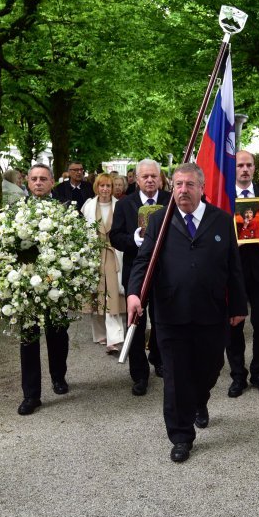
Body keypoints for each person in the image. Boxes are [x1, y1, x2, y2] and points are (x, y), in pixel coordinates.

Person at [127, 163, 248, 463]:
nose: (183, 190)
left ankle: (199, 401)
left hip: (211, 312)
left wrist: (238, 306)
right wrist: (134, 293)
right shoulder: (160, 221)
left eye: (189, 185)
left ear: (202, 188)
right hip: (171, 312)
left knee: (209, 369)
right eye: (178, 185)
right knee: (176, 376)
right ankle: (181, 436)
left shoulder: (221, 221)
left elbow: (233, 266)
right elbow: (143, 261)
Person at [108, 159, 170, 396]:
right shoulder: (125, 205)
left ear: (160, 178)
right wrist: (134, 240)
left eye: (154, 176)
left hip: (166, 272)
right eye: (145, 177)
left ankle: (159, 358)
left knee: (162, 319)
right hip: (136, 272)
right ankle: (139, 374)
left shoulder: (170, 200)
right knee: (136, 322)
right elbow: (115, 236)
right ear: (137, 179)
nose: (150, 180)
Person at [226, 150, 259, 397]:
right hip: (233, 270)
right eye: (240, 165)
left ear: (254, 168)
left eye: (248, 165)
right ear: (233, 168)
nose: (244, 169)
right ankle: (238, 375)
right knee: (234, 325)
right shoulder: (223, 194)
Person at [17, 164, 70, 415]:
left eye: (43, 179)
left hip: (54, 282)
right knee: (28, 339)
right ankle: (31, 394)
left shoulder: (64, 211)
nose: (38, 183)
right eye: (34, 179)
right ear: (27, 183)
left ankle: (58, 376)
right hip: (25, 285)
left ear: (52, 183)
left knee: (58, 334)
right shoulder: (15, 212)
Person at [81, 173, 126, 354]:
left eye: (108, 186)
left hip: (113, 252)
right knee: (96, 294)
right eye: (102, 186)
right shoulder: (88, 206)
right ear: (96, 187)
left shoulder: (120, 206)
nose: (105, 189)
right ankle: (100, 335)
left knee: (112, 294)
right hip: (94, 254)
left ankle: (113, 338)